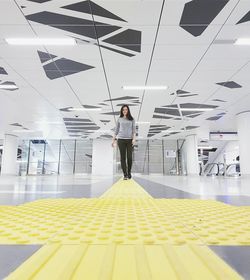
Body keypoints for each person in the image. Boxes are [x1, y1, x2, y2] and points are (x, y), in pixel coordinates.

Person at [112, 105, 136, 180]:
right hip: (121, 140)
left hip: (129, 140)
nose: (125, 111)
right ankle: (125, 174)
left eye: (126, 109)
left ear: (128, 110)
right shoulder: (119, 119)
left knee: (129, 157)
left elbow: (134, 130)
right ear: (122, 111)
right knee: (123, 158)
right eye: (123, 110)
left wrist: (134, 139)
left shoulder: (132, 119)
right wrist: (113, 140)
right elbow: (116, 130)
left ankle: (129, 172)